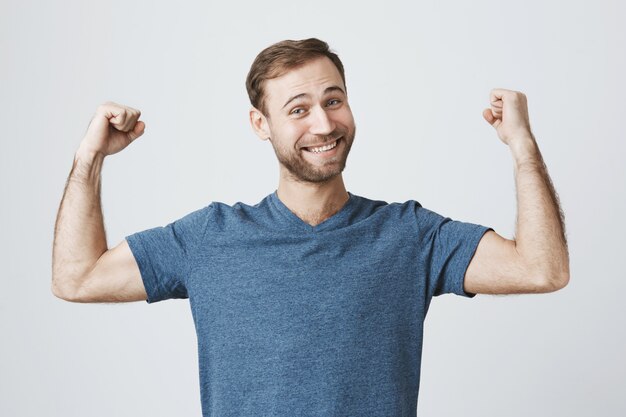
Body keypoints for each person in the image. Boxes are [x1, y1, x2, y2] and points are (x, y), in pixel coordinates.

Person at [52, 38, 569, 416]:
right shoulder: (209, 238)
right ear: (261, 124)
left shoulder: (410, 235)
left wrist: (522, 147)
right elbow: (77, 278)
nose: (323, 124)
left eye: (333, 100)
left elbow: (541, 269)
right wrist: (90, 157)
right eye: (298, 109)